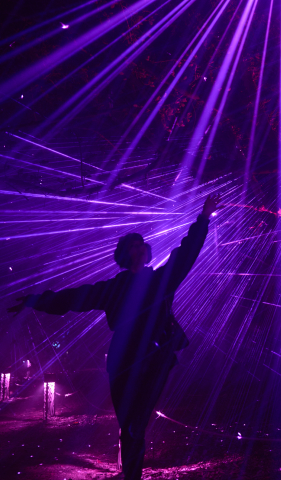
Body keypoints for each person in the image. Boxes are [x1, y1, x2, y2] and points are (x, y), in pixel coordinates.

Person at [8, 194, 221, 480]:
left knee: (135, 423)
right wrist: (35, 300)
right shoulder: (115, 287)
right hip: (123, 359)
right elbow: (74, 298)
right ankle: (131, 473)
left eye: (140, 243)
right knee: (128, 423)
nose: (139, 247)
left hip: (154, 356)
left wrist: (203, 218)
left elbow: (185, 255)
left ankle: (132, 473)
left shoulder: (158, 280)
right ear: (126, 253)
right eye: (132, 245)